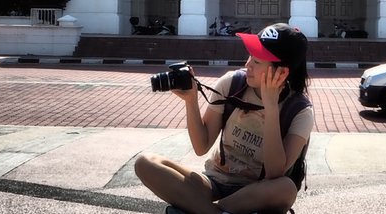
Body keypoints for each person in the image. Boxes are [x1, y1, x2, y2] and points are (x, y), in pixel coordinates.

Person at [135, 23, 314, 214]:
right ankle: (217, 212)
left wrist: (271, 107)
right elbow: (201, 146)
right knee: (146, 163)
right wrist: (191, 101)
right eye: (249, 57)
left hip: (257, 192)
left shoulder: (299, 110)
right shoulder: (232, 83)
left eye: (257, 62)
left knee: (286, 188)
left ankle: (201, 210)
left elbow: (274, 174)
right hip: (215, 181)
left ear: (281, 72)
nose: (247, 65)